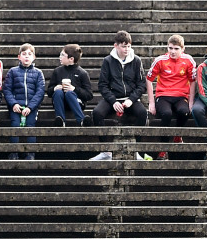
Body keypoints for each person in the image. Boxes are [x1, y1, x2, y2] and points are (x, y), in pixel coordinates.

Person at [89, 31, 148, 161]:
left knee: (143, 113)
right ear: (116, 46)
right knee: (97, 113)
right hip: (113, 98)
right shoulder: (108, 61)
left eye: (128, 46)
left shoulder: (136, 60)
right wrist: (113, 101)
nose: (126, 49)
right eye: (123, 46)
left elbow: (141, 85)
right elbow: (102, 85)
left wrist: (131, 100)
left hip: (130, 99)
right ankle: (105, 151)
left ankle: (137, 151)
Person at [146, 34, 196, 160]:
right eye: (170, 48)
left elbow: (193, 81)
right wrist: (151, 103)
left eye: (176, 49)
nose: (173, 51)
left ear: (182, 49)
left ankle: (177, 136)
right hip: (163, 95)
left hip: (181, 96)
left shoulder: (189, 60)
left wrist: (190, 102)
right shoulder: (160, 60)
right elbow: (148, 79)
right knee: (166, 114)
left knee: (184, 112)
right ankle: (163, 149)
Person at [2, 43, 45, 160]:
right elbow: (7, 90)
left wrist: (30, 107)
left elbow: (40, 92)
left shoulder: (38, 73)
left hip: (31, 107)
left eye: (29, 54)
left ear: (34, 57)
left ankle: (30, 153)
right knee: (15, 124)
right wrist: (14, 104)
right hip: (16, 106)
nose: (27, 56)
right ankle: (13, 152)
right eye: (24, 54)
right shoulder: (13, 71)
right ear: (19, 57)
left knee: (30, 125)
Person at [46, 44, 93, 127]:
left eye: (63, 55)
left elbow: (89, 95)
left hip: (77, 102)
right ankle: (60, 120)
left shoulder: (82, 73)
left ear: (71, 59)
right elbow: (49, 92)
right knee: (58, 92)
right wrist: (55, 88)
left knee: (69, 93)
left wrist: (74, 89)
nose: (60, 57)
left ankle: (81, 120)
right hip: (60, 102)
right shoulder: (57, 71)